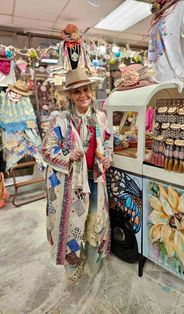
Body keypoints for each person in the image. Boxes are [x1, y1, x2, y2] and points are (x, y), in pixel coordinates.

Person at [42, 67, 112, 281]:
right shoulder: (61, 120)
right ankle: (73, 265)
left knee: (94, 219)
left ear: (91, 91)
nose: (83, 95)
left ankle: (93, 259)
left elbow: (108, 142)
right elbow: (45, 150)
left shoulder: (101, 117)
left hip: (95, 179)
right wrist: (67, 156)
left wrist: (107, 156)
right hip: (71, 183)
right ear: (69, 96)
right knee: (72, 225)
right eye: (77, 92)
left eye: (86, 90)